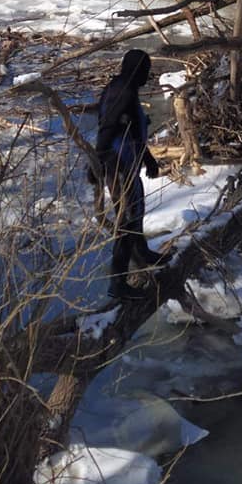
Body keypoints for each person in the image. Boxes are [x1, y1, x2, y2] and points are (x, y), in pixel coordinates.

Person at [92, 49, 162, 299]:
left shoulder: (125, 87)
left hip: (127, 161)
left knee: (137, 209)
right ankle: (117, 283)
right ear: (136, 69)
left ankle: (142, 253)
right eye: (146, 69)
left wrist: (149, 160)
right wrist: (97, 163)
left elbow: (132, 131)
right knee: (127, 220)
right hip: (118, 164)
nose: (148, 74)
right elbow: (108, 126)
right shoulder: (122, 91)